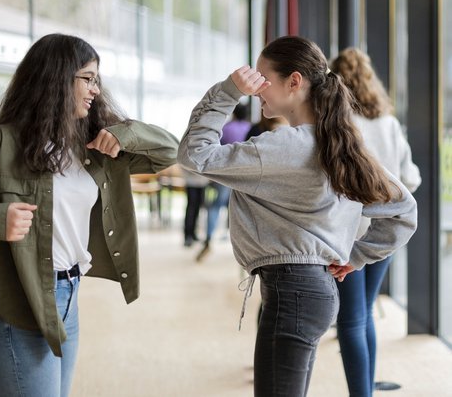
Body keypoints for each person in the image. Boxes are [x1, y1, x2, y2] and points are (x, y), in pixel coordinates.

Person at [0, 33, 178, 397]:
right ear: (56, 78)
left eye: (97, 80)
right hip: (13, 309)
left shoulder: (94, 145)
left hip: (68, 297)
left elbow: (170, 151)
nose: (96, 90)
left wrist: (127, 133)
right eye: (88, 78)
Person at [177, 36, 417, 397]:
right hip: (312, 290)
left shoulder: (281, 148)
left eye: (261, 78)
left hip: (293, 291)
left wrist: (229, 91)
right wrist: (356, 256)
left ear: (294, 81)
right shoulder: (340, 144)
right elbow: (404, 211)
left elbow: (194, 155)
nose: (255, 88)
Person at [331, 47, 421, 397]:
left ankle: (362, 392)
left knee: (351, 318)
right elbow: (410, 179)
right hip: (386, 230)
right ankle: (365, 385)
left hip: (346, 234)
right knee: (364, 312)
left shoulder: (337, 124)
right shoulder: (388, 124)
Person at [196, 103, 251, 261]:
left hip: (225, 173)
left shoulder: (226, 128)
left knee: (215, 206)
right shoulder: (250, 128)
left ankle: (208, 238)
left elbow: (215, 150)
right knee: (241, 207)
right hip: (245, 175)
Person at [182, 168, 209, 247]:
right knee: (191, 209)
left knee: (198, 208)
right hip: (191, 182)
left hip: (202, 182)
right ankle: (188, 235)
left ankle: (193, 233)